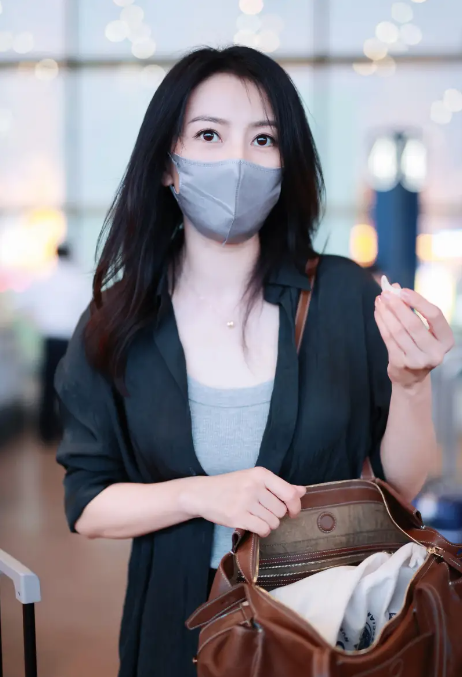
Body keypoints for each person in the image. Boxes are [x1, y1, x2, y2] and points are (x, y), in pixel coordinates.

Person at [55, 46, 454, 677]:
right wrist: (203, 495)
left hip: (325, 638)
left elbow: (400, 485)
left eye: (263, 139)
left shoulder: (343, 296)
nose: (238, 161)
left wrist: (410, 382)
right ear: (167, 165)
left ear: (285, 162)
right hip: (175, 636)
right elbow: (88, 504)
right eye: (209, 135)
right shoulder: (118, 322)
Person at [15, 243, 90, 444]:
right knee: (69, 386)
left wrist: (38, 320)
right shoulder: (77, 279)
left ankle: (46, 431)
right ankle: (68, 431)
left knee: (48, 385)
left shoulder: (44, 279)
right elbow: (89, 309)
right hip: (71, 340)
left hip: (50, 338)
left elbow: (22, 303)